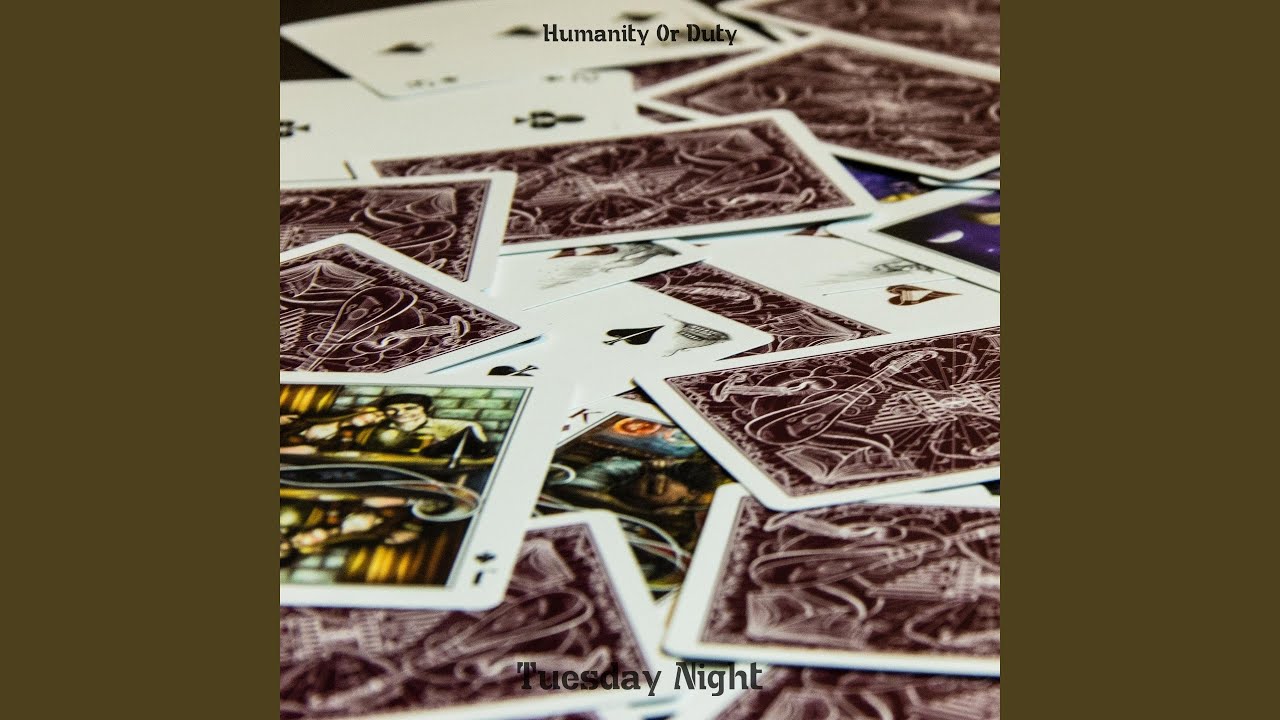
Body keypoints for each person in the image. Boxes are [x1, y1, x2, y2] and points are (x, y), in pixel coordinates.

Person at [281, 393, 492, 458]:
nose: (401, 414)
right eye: (393, 410)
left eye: (410, 408)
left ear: (426, 410)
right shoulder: (373, 430)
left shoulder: (452, 426)